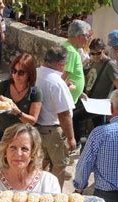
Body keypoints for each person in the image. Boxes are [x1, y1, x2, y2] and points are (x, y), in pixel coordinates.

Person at [0, 53, 42, 178]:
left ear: (29, 74)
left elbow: (33, 120)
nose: (16, 75)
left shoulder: (34, 93)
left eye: (21, 72)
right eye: (14, 71)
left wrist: (18, 112)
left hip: (21, 136)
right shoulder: (4, 86)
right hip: (2, 131)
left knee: (16, 168)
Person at [35, 46, 76, 188]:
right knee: (59, 166)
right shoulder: (57, 83)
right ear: (59, 64)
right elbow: (64, 114)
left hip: (36, 128)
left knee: (41, 163)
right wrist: (71, 138)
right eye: (64, 64)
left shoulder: (35, 73)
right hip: (53, 131)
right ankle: (54, 194)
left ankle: (36, 188)